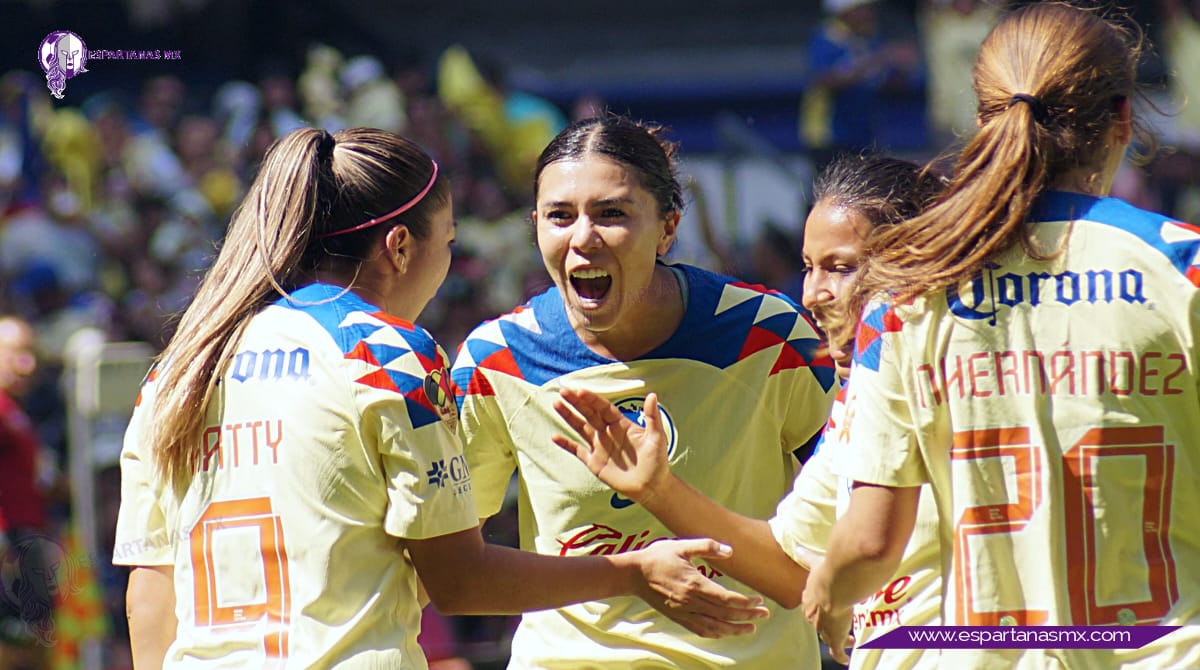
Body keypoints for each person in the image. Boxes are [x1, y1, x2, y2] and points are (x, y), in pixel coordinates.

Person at [111, 127, 769, 669]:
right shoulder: (387, 354)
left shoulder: (179, 370)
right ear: (400, 247)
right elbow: (459, 582)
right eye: (447, 244)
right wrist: (632, 574)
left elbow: (151, 592)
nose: (448, 263)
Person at [801, 4, 1200, 668]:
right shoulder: (1184, 269)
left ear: (982, 123)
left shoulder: (908, 298)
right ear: (1123, 120)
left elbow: (869, 545)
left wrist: (827, 598)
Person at [450, 114, 838, 668]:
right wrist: (626, 577)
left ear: (668, 227)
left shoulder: (768, 337)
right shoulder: (497, 360)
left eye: (611, 214)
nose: (583, 237)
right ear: (534, 226)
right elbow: (458, 578)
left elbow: (845, 535)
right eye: (559, 216)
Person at [553, 154, 947, 669]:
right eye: (809, 268)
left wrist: (831, 591)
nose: (813, 294)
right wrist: (658, 490)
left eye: (841, 268)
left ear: (915, 262)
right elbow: (787, 564)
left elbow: (868, 546)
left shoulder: (961, 382)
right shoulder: (857, 402)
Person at [0, 315, 53, 669]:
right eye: (17, 354)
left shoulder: (14, 410)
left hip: (26, 541)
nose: (27, 364)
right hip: (10, 543)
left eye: (31, 354)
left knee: (35, 643)